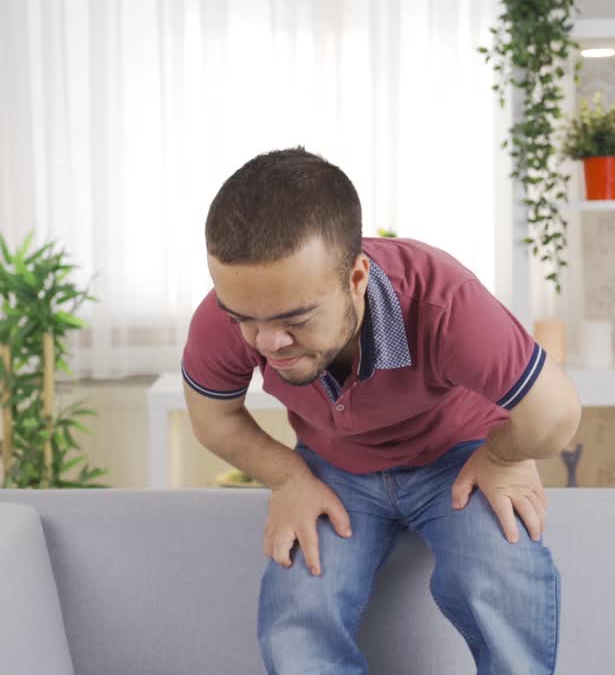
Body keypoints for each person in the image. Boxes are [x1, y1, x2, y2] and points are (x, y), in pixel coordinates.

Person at [181, 147, 581, 674]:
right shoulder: (227, 318)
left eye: (294, 318)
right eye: (244, 319)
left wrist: (504, 457)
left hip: (458, 458)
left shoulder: (445, 301)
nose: (269, 342)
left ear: (356, 278)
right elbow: (214, 419)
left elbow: (555, 413)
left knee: (499, 578)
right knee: (302, 607)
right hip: (333, 466)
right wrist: (287, 479)